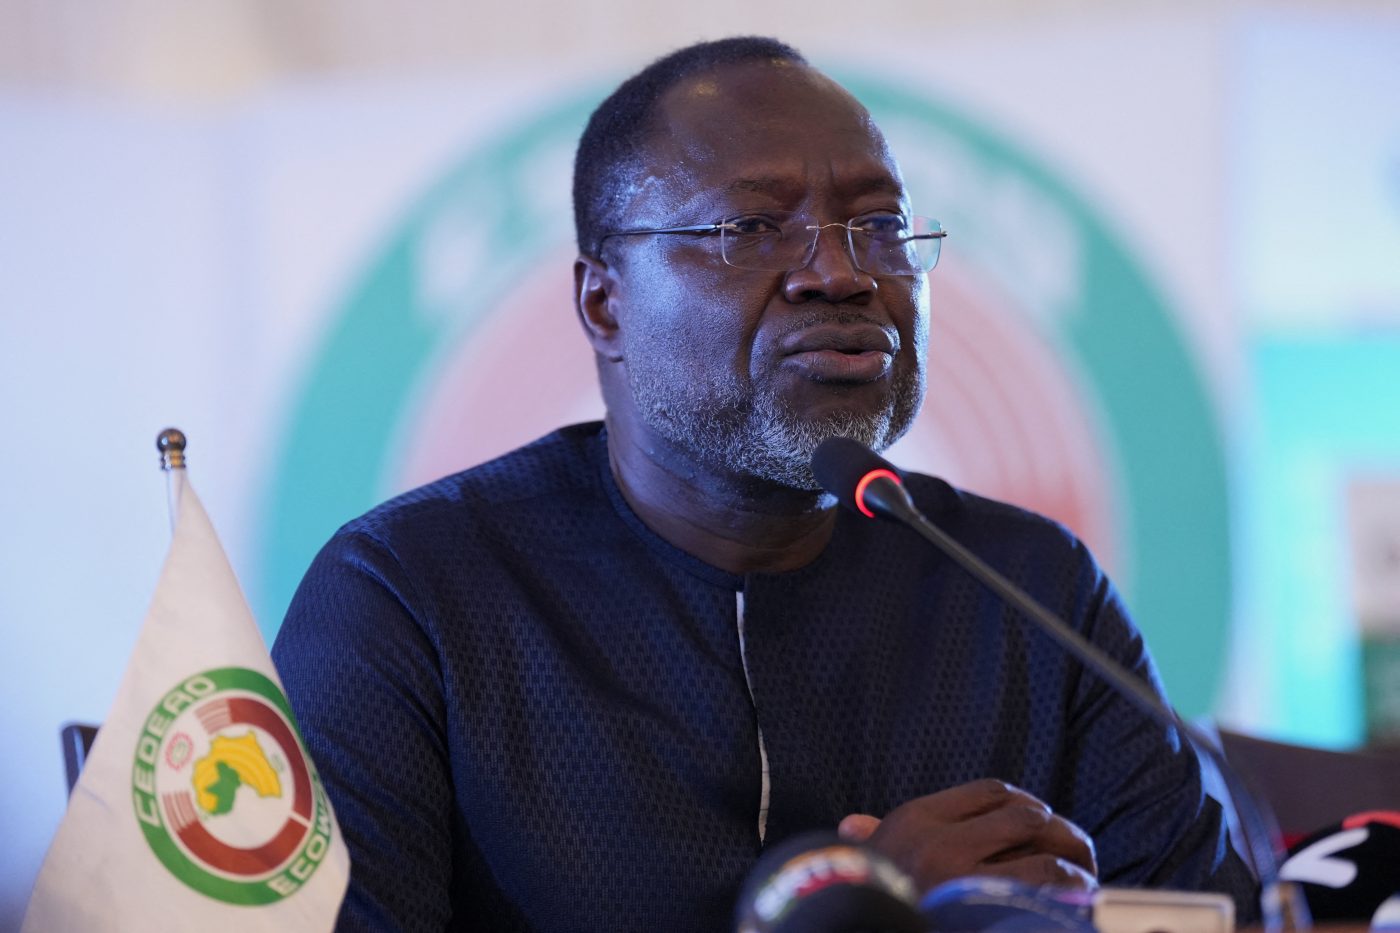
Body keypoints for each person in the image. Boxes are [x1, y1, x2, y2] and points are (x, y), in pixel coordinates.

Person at [273, 36, 1257, 932]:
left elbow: (1200, 916)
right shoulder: (410, 595)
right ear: (603, 304)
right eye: (750, 228)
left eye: (879, 226)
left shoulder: (1028, 589)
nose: (840, 273)